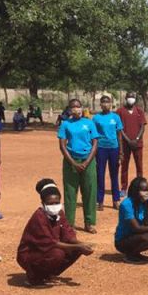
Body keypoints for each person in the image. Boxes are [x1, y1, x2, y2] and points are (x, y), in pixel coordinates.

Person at [17, 179, 93, 284]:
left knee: (74, 250)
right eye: (50, 203)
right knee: (58, 254)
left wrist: (81, 245)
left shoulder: (59, 213)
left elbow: (68, 235)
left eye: (57, 203)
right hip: (31, 254)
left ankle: (48, 274)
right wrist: (78, 246)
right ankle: (34, 277)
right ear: (43, 203)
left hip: (48, 250)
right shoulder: (39, 217)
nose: (54, 206)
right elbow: (51, 243)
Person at [57, 99, 99, 233]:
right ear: (69, 110)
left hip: (88, 160)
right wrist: (73, 163)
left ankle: (89, 222)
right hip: (71, 161)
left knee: (90, 191)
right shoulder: (65, 124)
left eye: (78, 106)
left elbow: (95, 143)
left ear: (82, 108)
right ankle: (70, 224)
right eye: (73, 107)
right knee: (70, 193)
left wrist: (87, 162)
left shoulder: (89, 123)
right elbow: (62, 145)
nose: (76, 109)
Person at [92, 95, 124, 211]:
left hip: (114, 148)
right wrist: (93, 151)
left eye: (107, 102)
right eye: (103, 102)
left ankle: (116, 200)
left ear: (111, 104)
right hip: (101, 148)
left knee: (114, 175)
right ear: (100, 104)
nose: (105, 104)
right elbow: (93, 136)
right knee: (100, 174)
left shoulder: (115, 117)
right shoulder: (96, 118)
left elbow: (119, 135)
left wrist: (121, 152)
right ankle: (99, 201)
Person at [117, 92, 147, 197]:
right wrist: (128, 140)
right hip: (125, 144)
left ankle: (140, 187)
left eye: (132, 97)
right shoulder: (120, 111)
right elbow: (119, 129)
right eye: (129, 97)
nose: (131, 99)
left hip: (137, 144)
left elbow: (143, 127)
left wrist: (137, 139)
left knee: (139, 166)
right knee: (124, 167)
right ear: (126, 98)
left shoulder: (139, 111)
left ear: (135, 99)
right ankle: (124, 188)